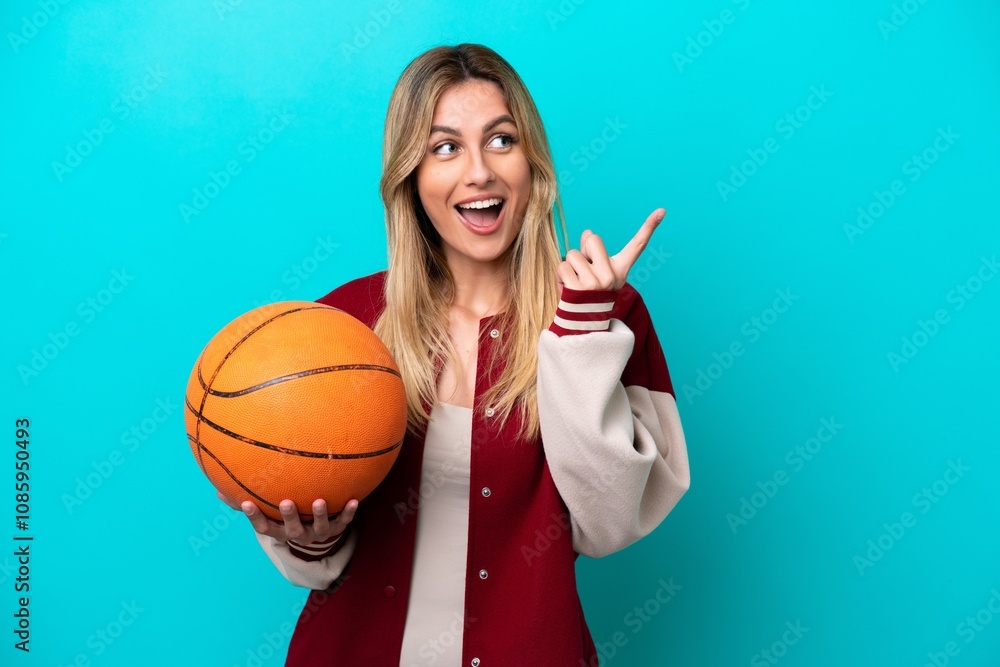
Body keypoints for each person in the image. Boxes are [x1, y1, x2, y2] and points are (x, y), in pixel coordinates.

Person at [217, 43, 691, 666]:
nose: (479, 173)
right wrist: (314, 540)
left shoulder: (605, 313)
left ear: (533, 164)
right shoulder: (345, 327)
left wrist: (581, 332)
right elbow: (317, 561)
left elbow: (607, 525)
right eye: (445, 147)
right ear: (410, 175)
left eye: (501, 140)